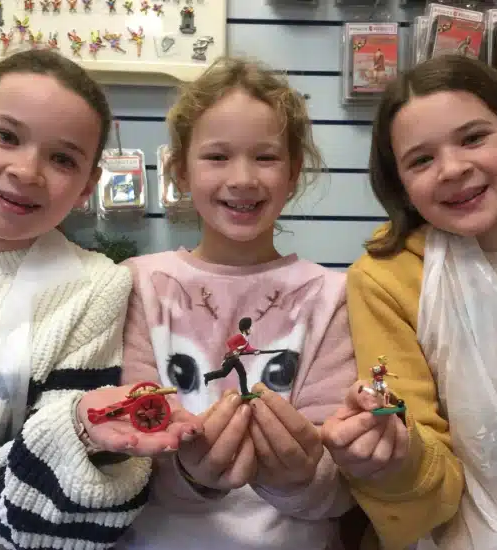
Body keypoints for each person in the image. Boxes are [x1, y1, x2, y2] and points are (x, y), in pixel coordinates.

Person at [0, 49, 200, 550]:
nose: (27, 171)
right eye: (6, 136)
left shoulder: (91, 287)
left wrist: (80, 432)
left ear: (88, 186)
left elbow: (31, 524)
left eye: (62, 158)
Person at [120, 56, 357, 550]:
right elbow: (125, 459)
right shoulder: (139, 285)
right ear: (180, 170)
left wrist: (299, 477)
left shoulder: (332, 297)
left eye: (266, 157)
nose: (243, 177)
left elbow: (340, 487)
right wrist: (190, 474)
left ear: (294, 173)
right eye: (217, 156)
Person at [322, 54, 497, 550]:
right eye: (421, 160)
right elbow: (429, 478)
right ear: (399, 183)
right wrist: (395, 456)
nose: (453, 169)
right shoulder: (384, 279)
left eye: (473, 138)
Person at [204, 316, 261, 395]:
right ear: (245, 330)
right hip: (230, 358)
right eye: (249, 328)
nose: (250, 330)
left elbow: (248, 348)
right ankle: (208, 376)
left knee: (242, 374)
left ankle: (245, 392)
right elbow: (230, 342)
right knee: (224, 373)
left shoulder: (246, 339)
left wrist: (255, 351)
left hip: (235, 359)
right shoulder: (239, 336)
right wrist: (235, 351)